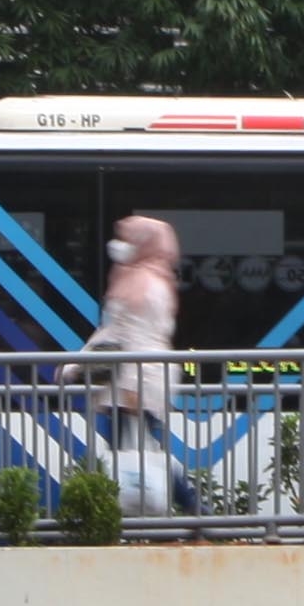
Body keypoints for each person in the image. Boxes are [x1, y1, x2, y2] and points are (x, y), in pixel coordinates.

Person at [82, 214, 198, 515]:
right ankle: (193, 512)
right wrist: (76, 364)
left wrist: (131, 389)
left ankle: (191, 509)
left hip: (136, 382)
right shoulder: (142, 279)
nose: (121, 246)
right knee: (142, 451)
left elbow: (132, 337)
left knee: (135, 454)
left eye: (130, 240)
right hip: (135, 379)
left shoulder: (144, 285)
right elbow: (115, 331)